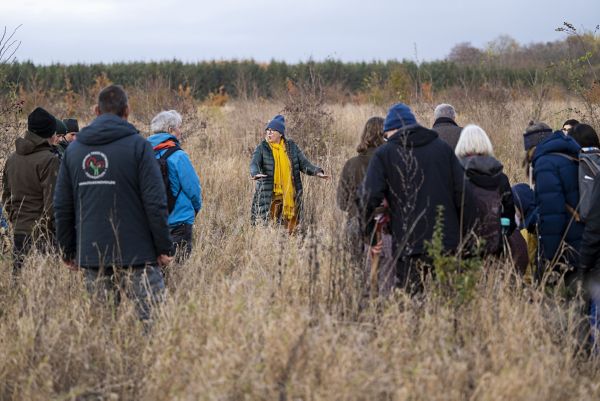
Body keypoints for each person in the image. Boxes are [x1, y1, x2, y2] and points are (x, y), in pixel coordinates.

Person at [54, 85, 173, 323]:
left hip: (92, 254)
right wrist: (163, 247)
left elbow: (62, 206)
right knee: (154, 324)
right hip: (140, 255)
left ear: (96, 110)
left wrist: (68, 250)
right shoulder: (140, 146)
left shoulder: (74, 151)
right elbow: (155, 202)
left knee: (103, 326)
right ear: (127, 111)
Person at [361, 103, 475, 293]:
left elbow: (367, 197)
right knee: (448, 300)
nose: (385, 139)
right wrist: (465, 237)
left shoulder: (385, 153)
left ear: (393, 129)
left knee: (413, 301)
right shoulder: (442, 149)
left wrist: (371, 235)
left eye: (385, 134)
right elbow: (464, 194)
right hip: (446, 241)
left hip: (408, 243)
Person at [337, 116, 395, 295]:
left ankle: (359, 315)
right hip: (384, 226)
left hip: (356, 223)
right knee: (386, 279)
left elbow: (341, 203)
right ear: (384, 135)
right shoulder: (391, 162)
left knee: (357, 276)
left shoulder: (351, 164)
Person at [2, 107, 61, 275]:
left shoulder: (11, 159)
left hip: (19, 234)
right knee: (44, 294)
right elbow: (53, 206)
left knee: (20, 289)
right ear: (49, 133)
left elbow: (6, 198)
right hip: (43, 238)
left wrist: (16, 220)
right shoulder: (50, 160)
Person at [250, 114, 328, 234]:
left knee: (291, 232)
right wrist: (255, 173)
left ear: (280, 133)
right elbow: (254, 163)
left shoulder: (291, 147)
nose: (269, 133)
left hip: (290, 196)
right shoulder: (262, 148)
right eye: (268, 130)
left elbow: (304, 163)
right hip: (270, 197)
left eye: (273, 131)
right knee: (269, 230)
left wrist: (317, 172)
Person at [148, 110, 202, 262]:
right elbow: (193, 189)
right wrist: (195, 209)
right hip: (180, 220)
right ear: (171, 130)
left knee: (157, 271)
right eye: (179, 127)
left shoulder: (143, 153)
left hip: (152, 222)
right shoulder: (178, 156)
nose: (180, 130)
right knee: (180, 271)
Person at [531, 126, 583, 281]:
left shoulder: (545, 163)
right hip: (588, 238)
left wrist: (550, 259)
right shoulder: (573, 153)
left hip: (570, 250)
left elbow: (552, 215)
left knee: (572, 301)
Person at [455, 125, 516, 246]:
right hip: (495, 246)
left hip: (463, 249)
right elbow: (510, 216)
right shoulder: (500, 177)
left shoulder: (455, 175)